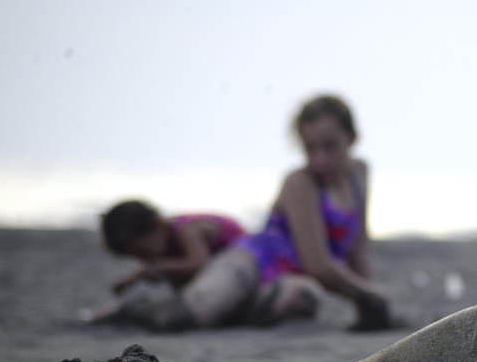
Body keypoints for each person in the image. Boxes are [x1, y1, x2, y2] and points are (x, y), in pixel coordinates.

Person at [109, 94, 394, 332]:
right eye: (310, 149)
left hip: (284, 280)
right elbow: (317, 264)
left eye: (331, 147)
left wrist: (369, 306)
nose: (320, 160)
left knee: (302, 295)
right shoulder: (300, 182)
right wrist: (368, 294)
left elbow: (359, 247)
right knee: (181, 318)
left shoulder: (359, 174)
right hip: (249, 263)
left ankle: (231, 312)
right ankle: (131, 310)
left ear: (352, 137)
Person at [100, 200, 247, 293]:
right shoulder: (163, 241)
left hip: (244, 257)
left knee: (178, 274)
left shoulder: (187, 230)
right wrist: (130, 280)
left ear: (156, 225)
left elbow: (200, 263)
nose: (146, 259)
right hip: (218, 264)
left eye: (143, 252)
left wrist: (161, 267)